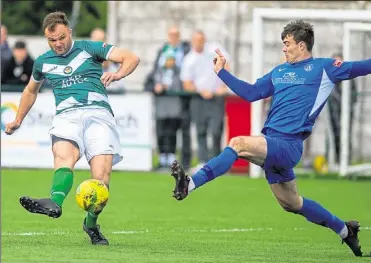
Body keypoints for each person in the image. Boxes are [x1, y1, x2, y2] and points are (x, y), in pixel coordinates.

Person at [170, 20, 371, 257]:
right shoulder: (279, 72)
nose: (283, 48)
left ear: (302, 45)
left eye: (287, 44)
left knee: (238, 143)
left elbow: (362, 66)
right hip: (272, 144)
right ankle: (345, 231)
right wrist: (221, 72)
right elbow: (251, 93)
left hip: (289, 144)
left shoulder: (324, 68)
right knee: (292, 204)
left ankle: (190, 184)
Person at [4, 12, 140, 245]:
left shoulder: (90, 48)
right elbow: (30, 91)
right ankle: (55, 202)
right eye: (51, 40)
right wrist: (18, 119)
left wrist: (117, 74)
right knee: (64, 156)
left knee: (101, 181)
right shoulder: (43, 62)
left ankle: (91, 224)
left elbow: (131, 58)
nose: (57, 44)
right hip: (67, 115)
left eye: (61, 38)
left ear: (69, 31)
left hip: (98, 113)